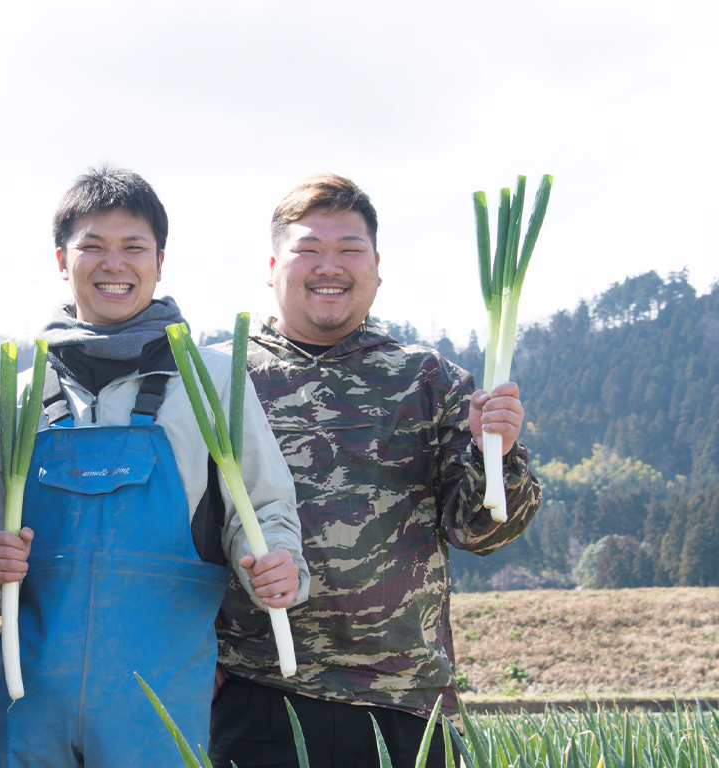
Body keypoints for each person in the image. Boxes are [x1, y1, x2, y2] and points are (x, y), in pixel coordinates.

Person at [0, 166, 310, 767]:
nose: (113, 264)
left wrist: (279, 568)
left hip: (158, 710)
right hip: (28, 707)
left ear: (160, 260)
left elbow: (267, 510)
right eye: (92, 246)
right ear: (60, 260)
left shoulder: (210, 386)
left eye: (133, 248)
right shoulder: (13, 400)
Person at [209, 174, 543, 768]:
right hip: (258, 694)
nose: (329, 266)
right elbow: (179, 531)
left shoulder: (426, 379)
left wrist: (500, 453)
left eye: (349, 250)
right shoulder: (222, 381)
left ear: (377, 267)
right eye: (308, 249)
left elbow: (483, 531)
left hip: (404, 701)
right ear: (272, 265)